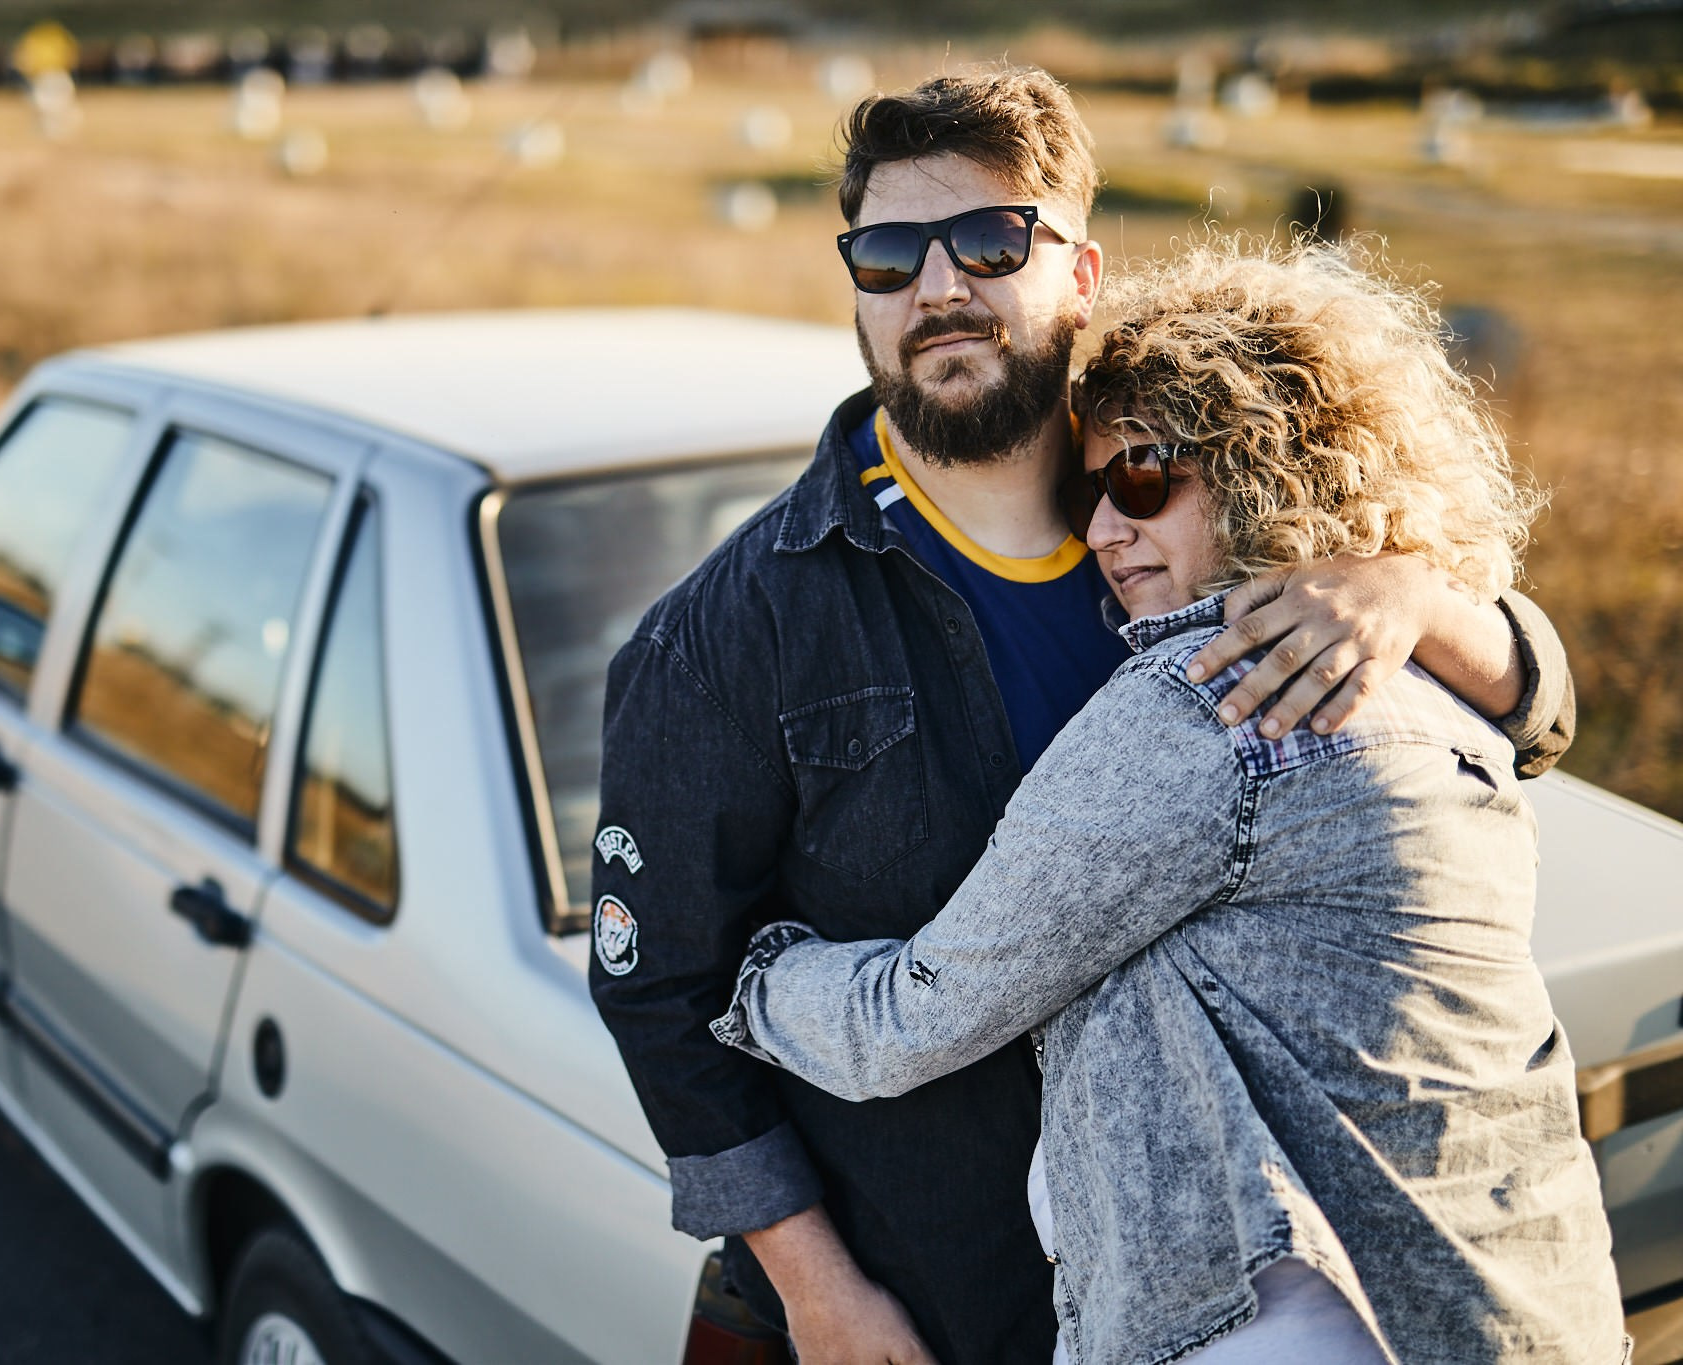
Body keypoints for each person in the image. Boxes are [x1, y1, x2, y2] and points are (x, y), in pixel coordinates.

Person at [587, 68, 1575, 1365]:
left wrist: (1424, 596)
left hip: (1189, 1309)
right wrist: (816, 1288)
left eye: (991, 240)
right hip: (907, 1311)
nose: (937, 287)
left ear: (1083, 271)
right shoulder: (727, 634)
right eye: (888, 257)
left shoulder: (1198, 534)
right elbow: (660, 990)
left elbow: (1533, 718)